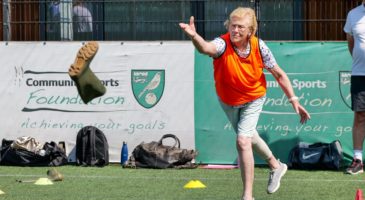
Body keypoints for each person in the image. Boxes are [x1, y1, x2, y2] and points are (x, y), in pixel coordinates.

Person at [179, 7, 311, 200]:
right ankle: (276, 165)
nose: (235, 30)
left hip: (254, 98)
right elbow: (206, 48)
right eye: (233, 26)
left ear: (250, 31)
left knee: (242, 141)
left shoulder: (259, 47)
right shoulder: (222, 43)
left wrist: (294, 100)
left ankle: (247, 196)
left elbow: (279, 75)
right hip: (228, 100)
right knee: (250, 137)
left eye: (241, 27)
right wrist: (194, 37)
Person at [344, 0, 365, 175]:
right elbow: (351, 42)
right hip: (360, 74)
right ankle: (358, 159)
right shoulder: (353, 14)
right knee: (360, 116)